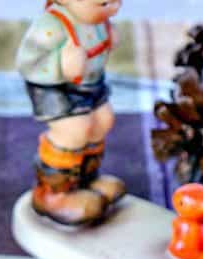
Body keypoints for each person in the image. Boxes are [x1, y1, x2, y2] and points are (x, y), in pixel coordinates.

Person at [16, 0, 126, 226]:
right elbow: (27, 63)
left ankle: (87, 181)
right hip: (55, 89)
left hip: (90, 86)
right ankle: (54, 192)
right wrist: (60, 65)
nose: (113, 9)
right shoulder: (51, 27)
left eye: (116, 2)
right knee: (75, 130)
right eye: (104, 3)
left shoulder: (96, 22)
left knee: (103, 121)